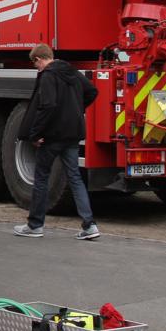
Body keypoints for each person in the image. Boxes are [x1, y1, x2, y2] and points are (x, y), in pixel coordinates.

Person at [13, 43, 101, 240]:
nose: (36, 68)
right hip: (73, 133)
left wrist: (36, 134)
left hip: (52, 136)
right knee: (75, 178)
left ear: (39, 59)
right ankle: (89, 225)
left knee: (42, 177)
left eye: (35, 64)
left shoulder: (48, 76)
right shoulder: (72, 72)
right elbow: (92, 92)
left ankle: (35, 225)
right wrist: (77, 109)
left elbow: (47, 106)